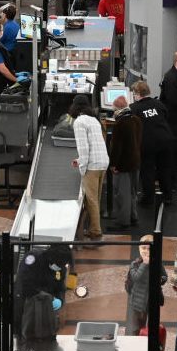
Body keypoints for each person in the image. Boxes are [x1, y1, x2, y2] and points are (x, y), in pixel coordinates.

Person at [70, 95, 108, 245]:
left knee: (91, 200)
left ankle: (96, 232)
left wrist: (82, 167)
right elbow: (96, 145)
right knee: (96, 199)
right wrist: (79, 160)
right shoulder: (94, 120)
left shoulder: (79, 122)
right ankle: (93, 228)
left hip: (92, 165)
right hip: (103, 162)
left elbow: (84, 148)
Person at [130, 81, 175, 207]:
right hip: (165, 140)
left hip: (148, 143)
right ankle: (168, 196)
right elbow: (166, 116)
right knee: (164, 169)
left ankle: (148, 199)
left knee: (147, 171)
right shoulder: (159, 104)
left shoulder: (134, 108)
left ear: (137, 93)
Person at [108, 96, 141, 231]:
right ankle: (133, 216)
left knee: (122, 193)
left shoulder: (120, 123)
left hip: (123, 164)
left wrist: (113, 164)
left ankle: (123, 221)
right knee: (133, 192)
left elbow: (117, 147)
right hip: (136, 161)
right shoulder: (137, 120)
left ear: (117, 109)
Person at [124, 234, 166, 335]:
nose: (146, 251)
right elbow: (136, 277)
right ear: (139, 249)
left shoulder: (157, 263)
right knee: (134, 327)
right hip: (137, 302)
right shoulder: (135, 264)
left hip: (150, 301)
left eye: (149, 249)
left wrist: (160, 280)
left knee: (149, 326)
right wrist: (144, 264)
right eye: (144, 248)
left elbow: (164, 276)